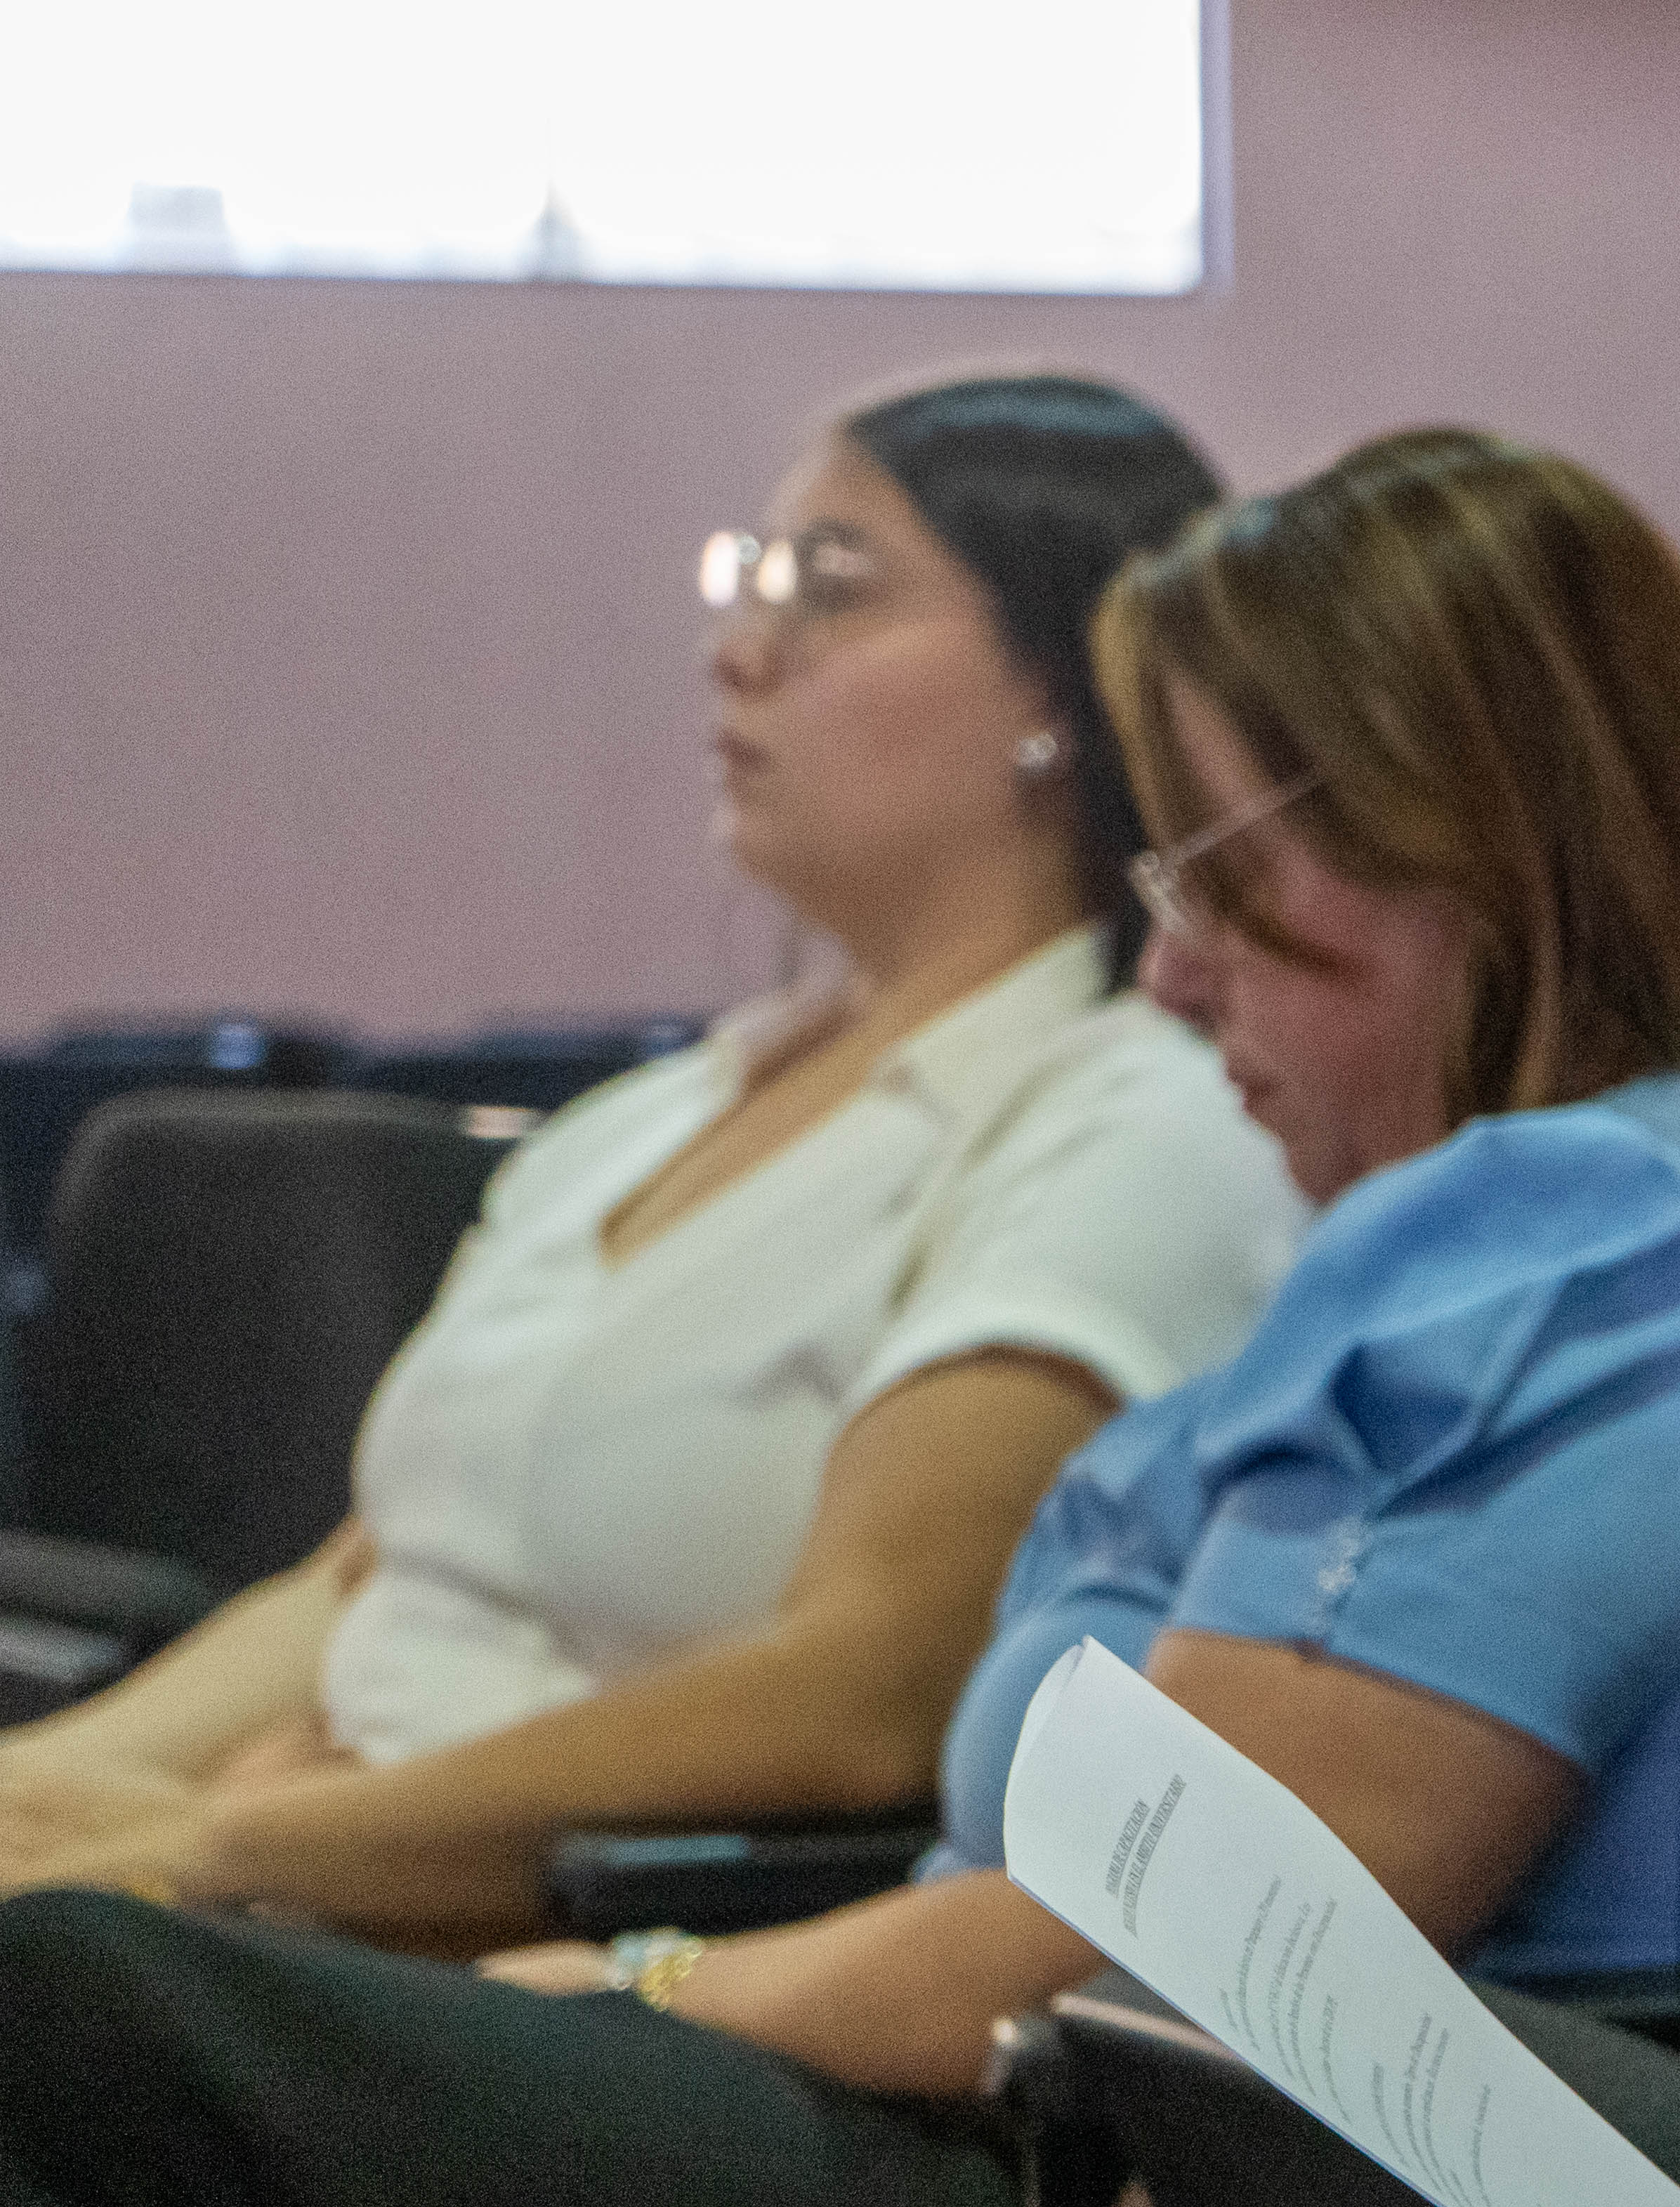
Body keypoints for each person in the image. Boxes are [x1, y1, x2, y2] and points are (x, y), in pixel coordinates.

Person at [0, 425, 1680, 2207]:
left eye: (1222, 880)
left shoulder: (1567, 1226)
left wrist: (642, 1979)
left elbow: (1172, 1931)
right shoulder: (1558, 1215)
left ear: (1487, 861)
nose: (1169, 969)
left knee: (71, 2000)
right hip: (981, 2097)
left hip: (1058, 2173)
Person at [0, 375, 1300, 1951]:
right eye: (748, 581)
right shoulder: (652, 1119)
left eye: (831, 590)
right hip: (310, 1895)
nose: (741, 649)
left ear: (1061, 679)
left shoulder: (1126, 1123)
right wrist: (54, 1790)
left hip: (598, 1977)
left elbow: (864, 1699)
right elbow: (374, 1579)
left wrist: (224, 1846)